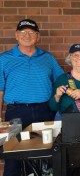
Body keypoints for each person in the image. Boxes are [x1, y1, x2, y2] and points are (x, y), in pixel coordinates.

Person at [0, 19, 64, 176]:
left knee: (46, 155)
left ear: (38, 36)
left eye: (31, 32)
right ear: (16, 36)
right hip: (16, 114)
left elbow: (62, 80)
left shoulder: (47, 58)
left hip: (44, 111)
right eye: (22, 32)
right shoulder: (4, 59)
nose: (26, 35)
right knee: (12, 156)